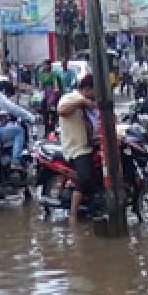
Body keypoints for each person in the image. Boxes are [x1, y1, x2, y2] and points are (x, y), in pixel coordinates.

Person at [56, 75, 99, 222]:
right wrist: (81, 101)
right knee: (84, 177)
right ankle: (73, 215)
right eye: (94, 91)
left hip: (91, 145)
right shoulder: (71, 97)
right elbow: (61, 110)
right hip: (77, 148)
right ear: (87, 89)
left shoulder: (89, 103)